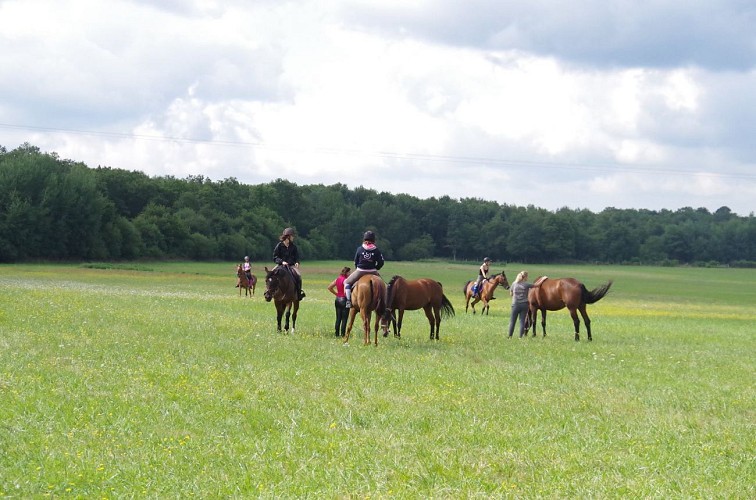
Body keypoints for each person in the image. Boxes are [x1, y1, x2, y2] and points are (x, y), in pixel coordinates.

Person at [344, 230, 385, 308]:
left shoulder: (360, 249)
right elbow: (381, 262)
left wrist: (357, 268)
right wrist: (376, 268)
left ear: (364, 239)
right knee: (383, 286)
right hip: (372, 271)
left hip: (360, 271)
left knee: (347, 282)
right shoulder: (376, 250)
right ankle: (385, 303)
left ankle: (348, 301)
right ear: (373, 240)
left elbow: (355, 261)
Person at [273, 227, 305, 300]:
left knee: (298, 276)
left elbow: (297, 256)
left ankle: (299, 293)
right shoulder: (279, 246)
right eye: (292, 236)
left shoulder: (293, 247)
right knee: (271, 274)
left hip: (291, 266)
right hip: (280, 265)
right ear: (288, 236)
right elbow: (275, 257)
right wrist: (282, 262)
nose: (293, 237)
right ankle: (269, 292)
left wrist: (297, 262)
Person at [508, 271, 535, 338]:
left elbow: (511, 294)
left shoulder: (514, 284)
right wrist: (543, 278)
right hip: (524, 305)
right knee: (522, 321)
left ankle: (510, 336)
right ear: (525, 277)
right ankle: (520, 337)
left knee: (512, 321)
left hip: (515, 304)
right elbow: (536, 285)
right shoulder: (526, 284)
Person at [327, 266, 351, 337]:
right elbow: (346, 291)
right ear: (346, 273)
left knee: (338, 318)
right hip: (344, 300)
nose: (350, 273)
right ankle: (343, 335)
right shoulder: (346, 280)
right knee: (344, 319)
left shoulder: (337, 279)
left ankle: (336, 334)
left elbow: (329, 287)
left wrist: (337, 294)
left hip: (337, 300)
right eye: (349, 272)